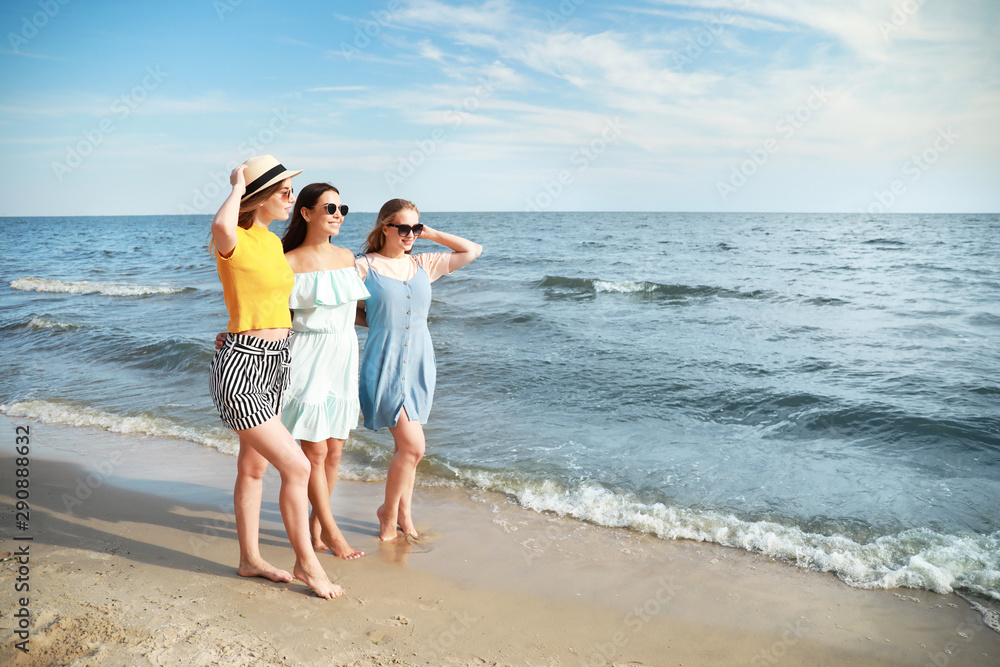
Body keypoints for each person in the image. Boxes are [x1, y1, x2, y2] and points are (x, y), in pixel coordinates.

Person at [209, 155, 342, 598]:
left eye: (290, 191)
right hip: (242, 367)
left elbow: (270, 299)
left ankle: (249, 559)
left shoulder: (270, 244)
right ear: (259, 197)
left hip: (276, 363)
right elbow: (223, 227)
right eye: (284, 191)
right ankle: (307, 564)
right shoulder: (236, 238)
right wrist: (235, 186)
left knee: (253, 468)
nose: (290, 198)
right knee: (298, 464)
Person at [356, 199, 482, 541]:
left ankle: (403, 515)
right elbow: (343, 310)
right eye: (404, 228)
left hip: (420, 366)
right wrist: (378, 324)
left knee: (406, 451)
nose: (411, 234)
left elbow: (472, 250)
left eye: (416, 228)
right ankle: (387, 515)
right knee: (413, 448)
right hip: (384, 363)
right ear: (385, 229)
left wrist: (432, 234)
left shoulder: (424, 263)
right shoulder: (364, 267)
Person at [279, 182, 368, 560]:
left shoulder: (348, 257)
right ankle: (333, 533)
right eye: (330, 208)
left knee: (335, 452)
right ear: (306, 212)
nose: (338, 216)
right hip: (307, 356)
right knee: (314, 452)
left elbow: (353, 312)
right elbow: (275, 317)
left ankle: (316, 529)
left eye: (342, 208)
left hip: (344, 353)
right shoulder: (289, 262)